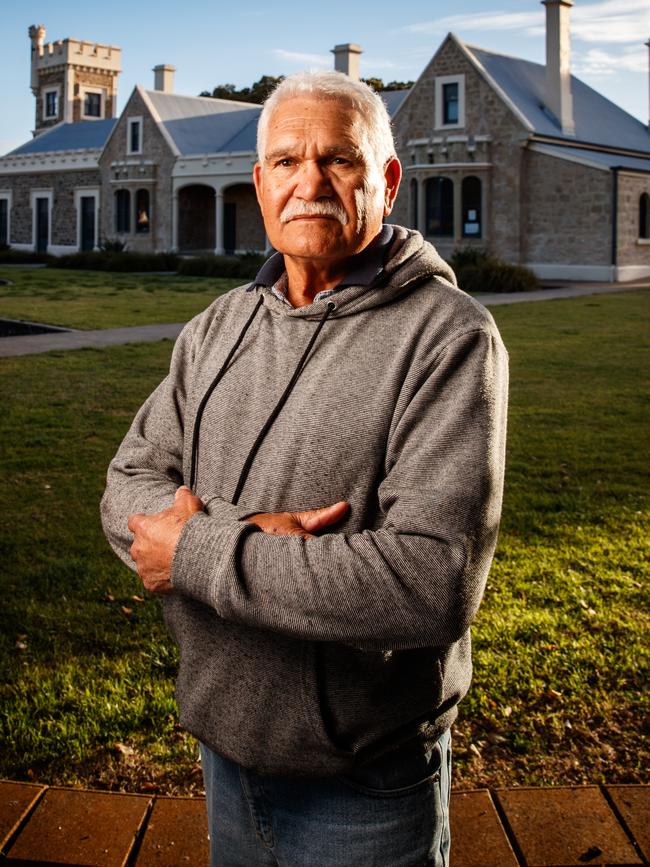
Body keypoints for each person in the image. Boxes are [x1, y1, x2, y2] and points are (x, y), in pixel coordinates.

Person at [101, 70, 508, 867]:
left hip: (364, 788)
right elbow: (127, 486)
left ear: (387, 181)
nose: (309, 182)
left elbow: (429, 581)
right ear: (259, 185)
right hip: (222, 757)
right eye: (286, 161)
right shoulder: (216, 328)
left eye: (340, 161)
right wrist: (247, 537)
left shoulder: (449, 338)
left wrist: (200, 549)